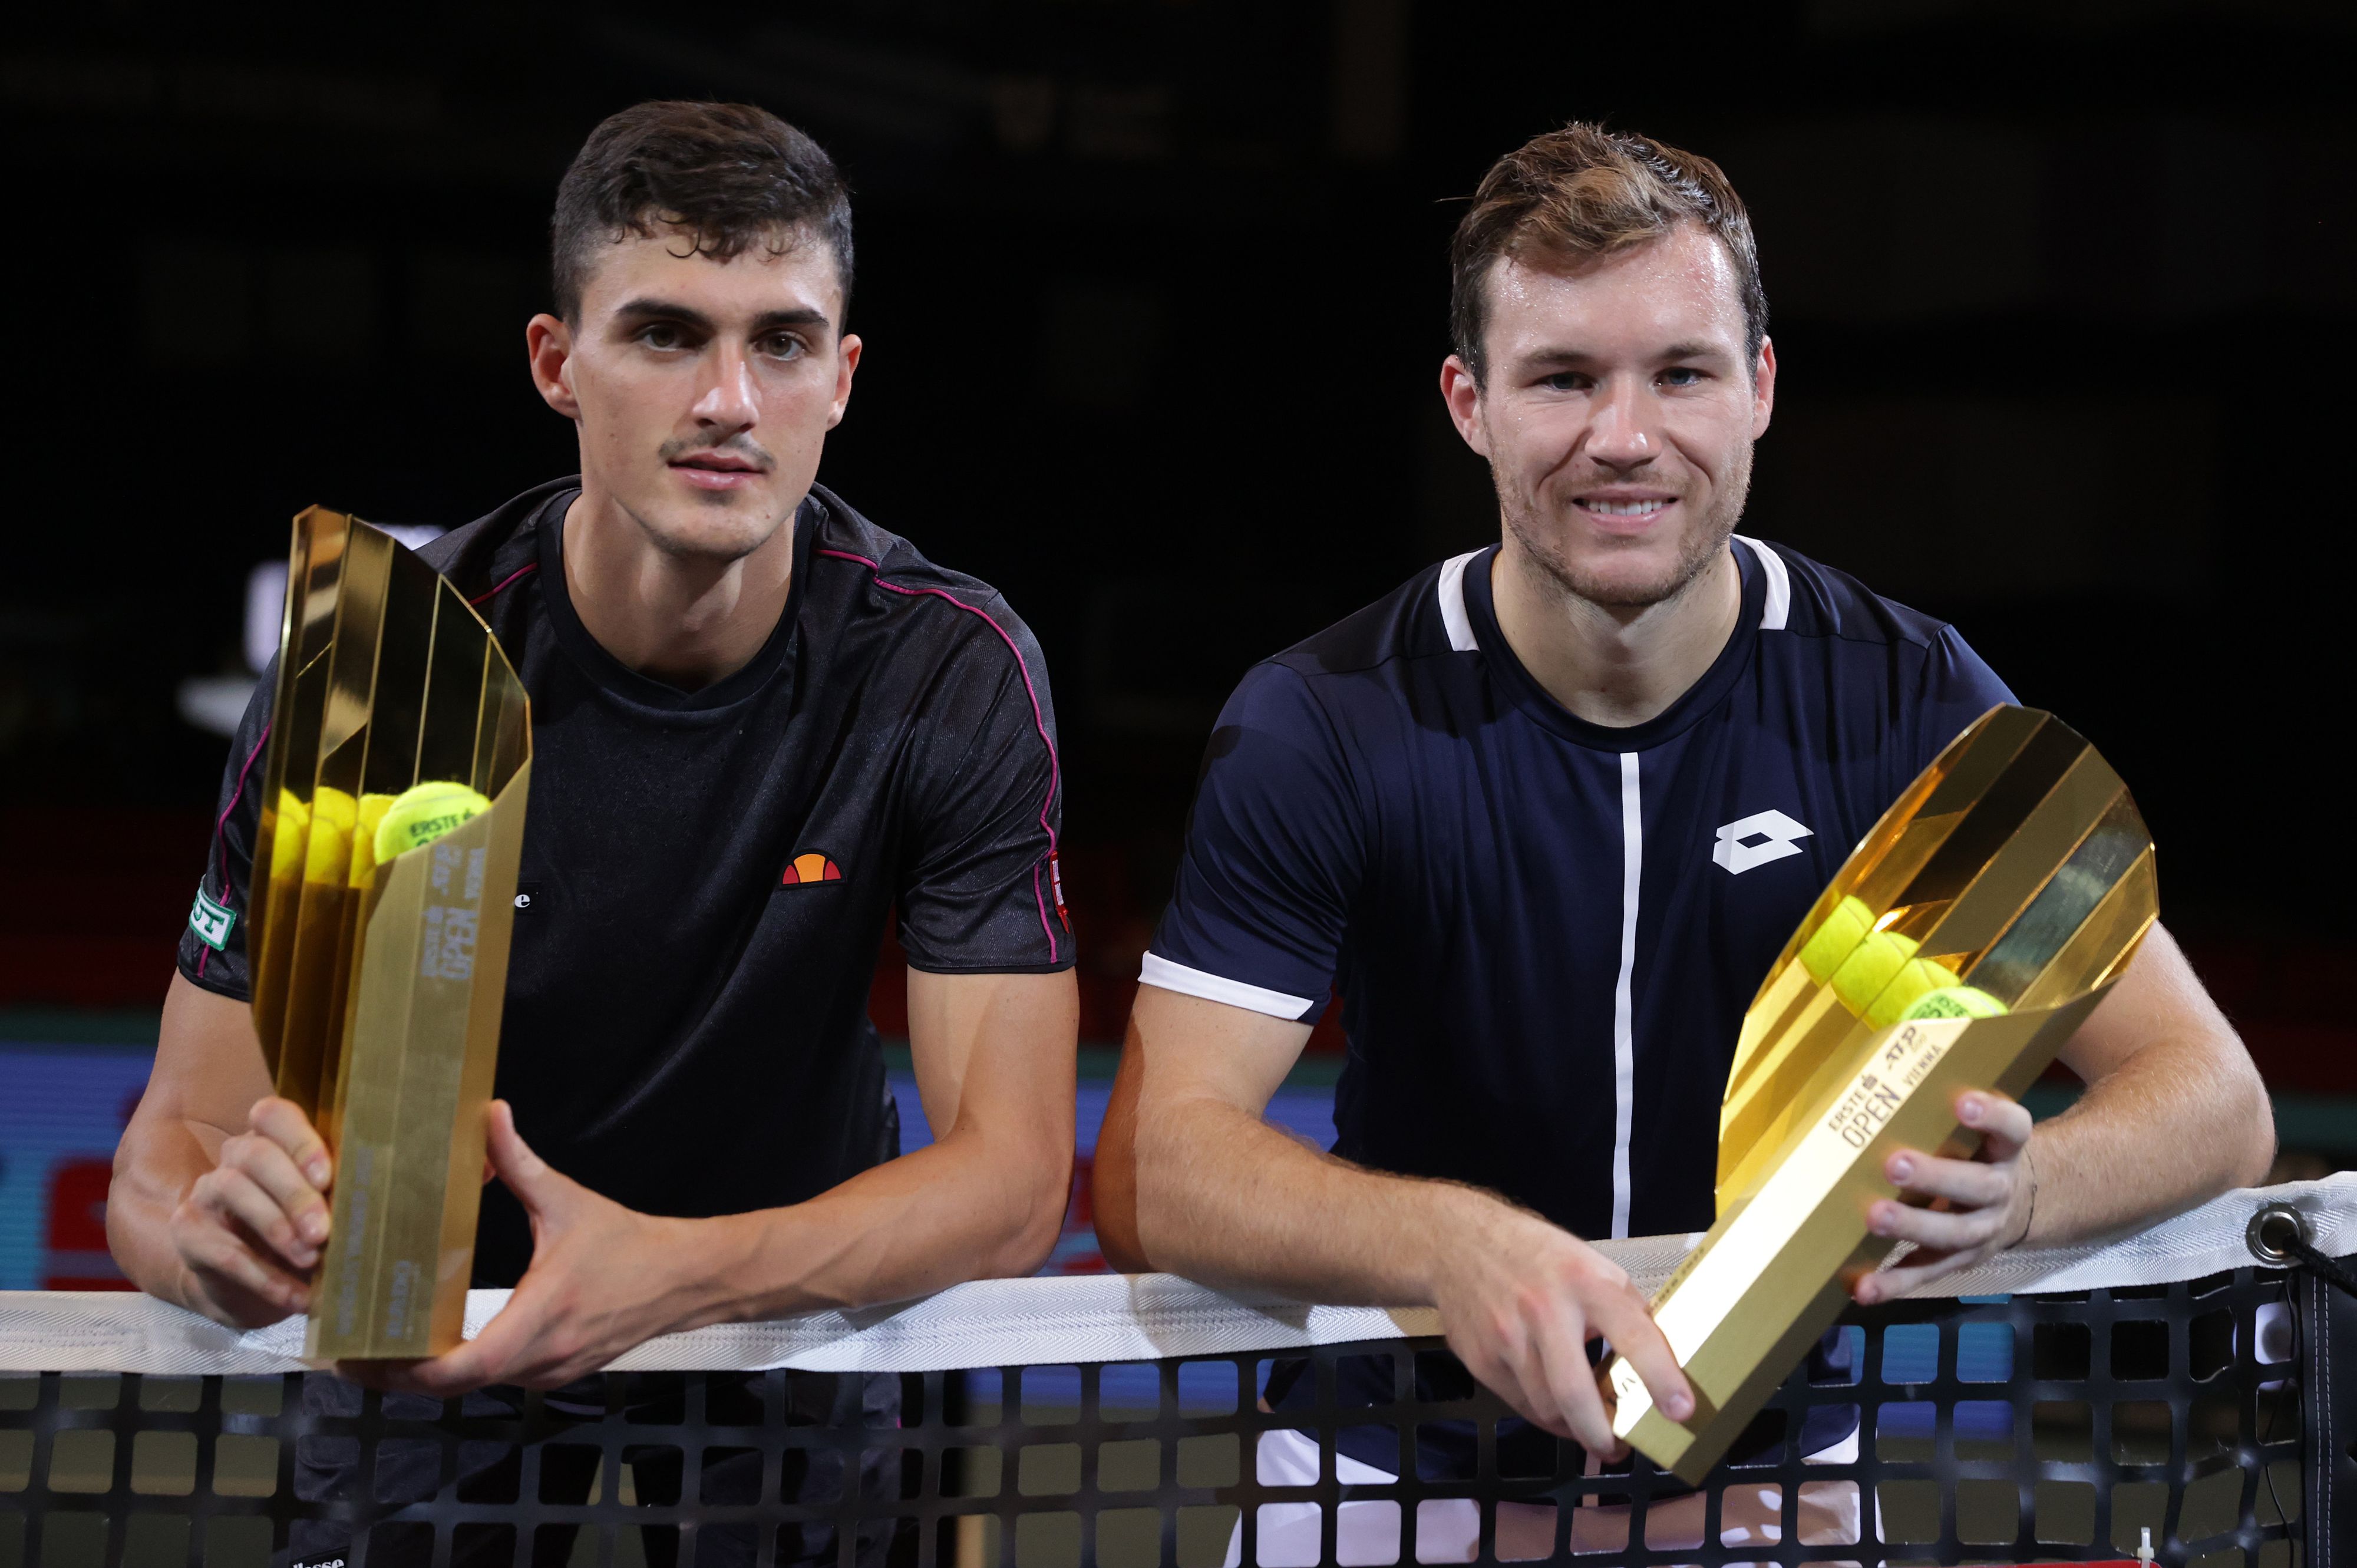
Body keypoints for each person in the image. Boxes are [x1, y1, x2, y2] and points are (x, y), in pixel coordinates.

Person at [1092, 123, 2275, 1564]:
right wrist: (1456, 1243)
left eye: (1680, 372)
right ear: (1468, 402)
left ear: (1760, 387)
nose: (1624, 435)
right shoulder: (1324, 722)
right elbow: (1160, 1168)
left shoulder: (1904, 698)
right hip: (1384, 1481)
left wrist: (2025, 1191)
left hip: (1768, 1489)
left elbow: (2212, 1094)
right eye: (1563, 378)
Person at [108, 101, 1078, 1567]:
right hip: (431, 1337)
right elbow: (169, 1141)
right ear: (558, 365)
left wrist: (668, 1274)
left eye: (782, 341)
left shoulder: (939, 667)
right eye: (666, 333)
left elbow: (1011, 1182)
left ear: (843, 376)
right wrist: (206, 1238)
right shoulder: (384, 667)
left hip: (781, 1333)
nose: (728, 402)